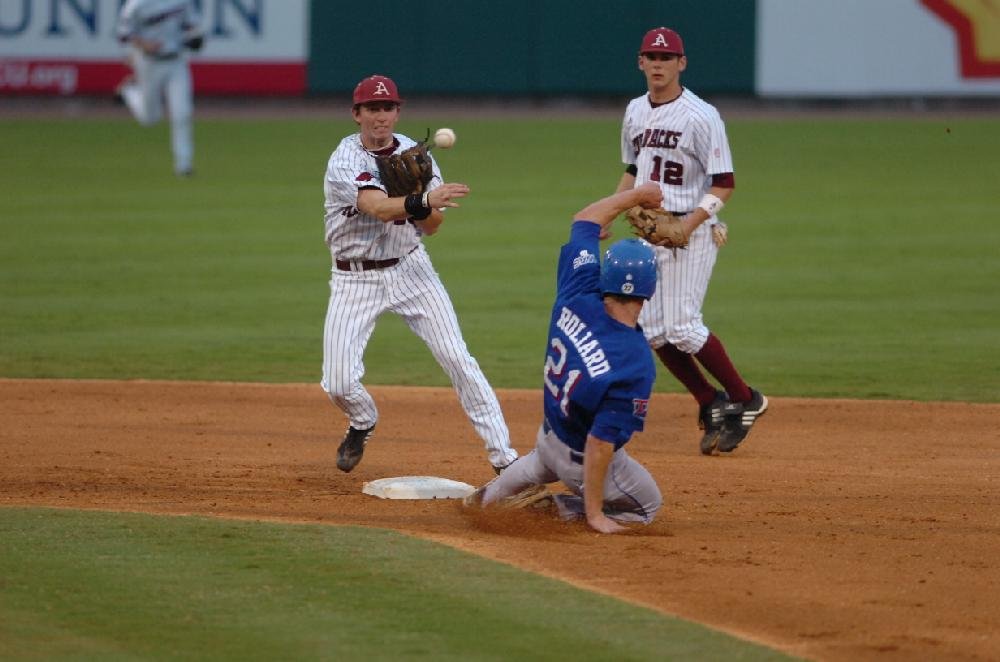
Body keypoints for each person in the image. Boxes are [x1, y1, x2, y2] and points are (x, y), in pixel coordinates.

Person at [320, 74, 519, 475]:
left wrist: (424, 205)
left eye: (388, 107)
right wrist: (421, 198)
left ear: (398, 111)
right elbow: (376, 207)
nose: (381, 116)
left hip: (412, 270)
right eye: (372, 108)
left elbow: (433, 225)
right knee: (338, 383)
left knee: (458, 359)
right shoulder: (344, 159)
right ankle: (363, 420)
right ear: (356, 114)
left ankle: (505, 460)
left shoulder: (417, 153)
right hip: (354, 279)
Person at [464, 183, 666, 534]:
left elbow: (585, 220)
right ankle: (558, 509)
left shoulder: (578, 289)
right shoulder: (635, 362)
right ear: (649, 289)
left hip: (547, 440)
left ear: (606, 274)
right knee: (648, 507)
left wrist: (636, 195)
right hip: (580, 462)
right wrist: (595, 514)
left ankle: (489, 497)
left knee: (513, 484)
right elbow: (600, 444)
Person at [615, 27, 768, 455]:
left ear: (681, 63)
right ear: (640, 62)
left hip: (691, 231)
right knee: (651, 330)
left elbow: (724, 183)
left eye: (667, 58)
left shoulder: (701, 116)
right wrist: (610, 210)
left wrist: (693, 221)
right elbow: (632, 167)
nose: (658, 64)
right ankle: (710, 401)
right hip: (650, 230)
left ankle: (745, 398)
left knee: (682, 326)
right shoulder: (633, 111)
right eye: (651, 57)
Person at [115, 0, 204, 177]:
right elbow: (124, 35)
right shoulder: (136, 5)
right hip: (149, 63)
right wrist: (143, 44)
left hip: (176, 61)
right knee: (149, 118)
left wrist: (195, 38)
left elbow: (191, 26)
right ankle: (129, 91)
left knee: (182, 112)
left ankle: (183, 165)